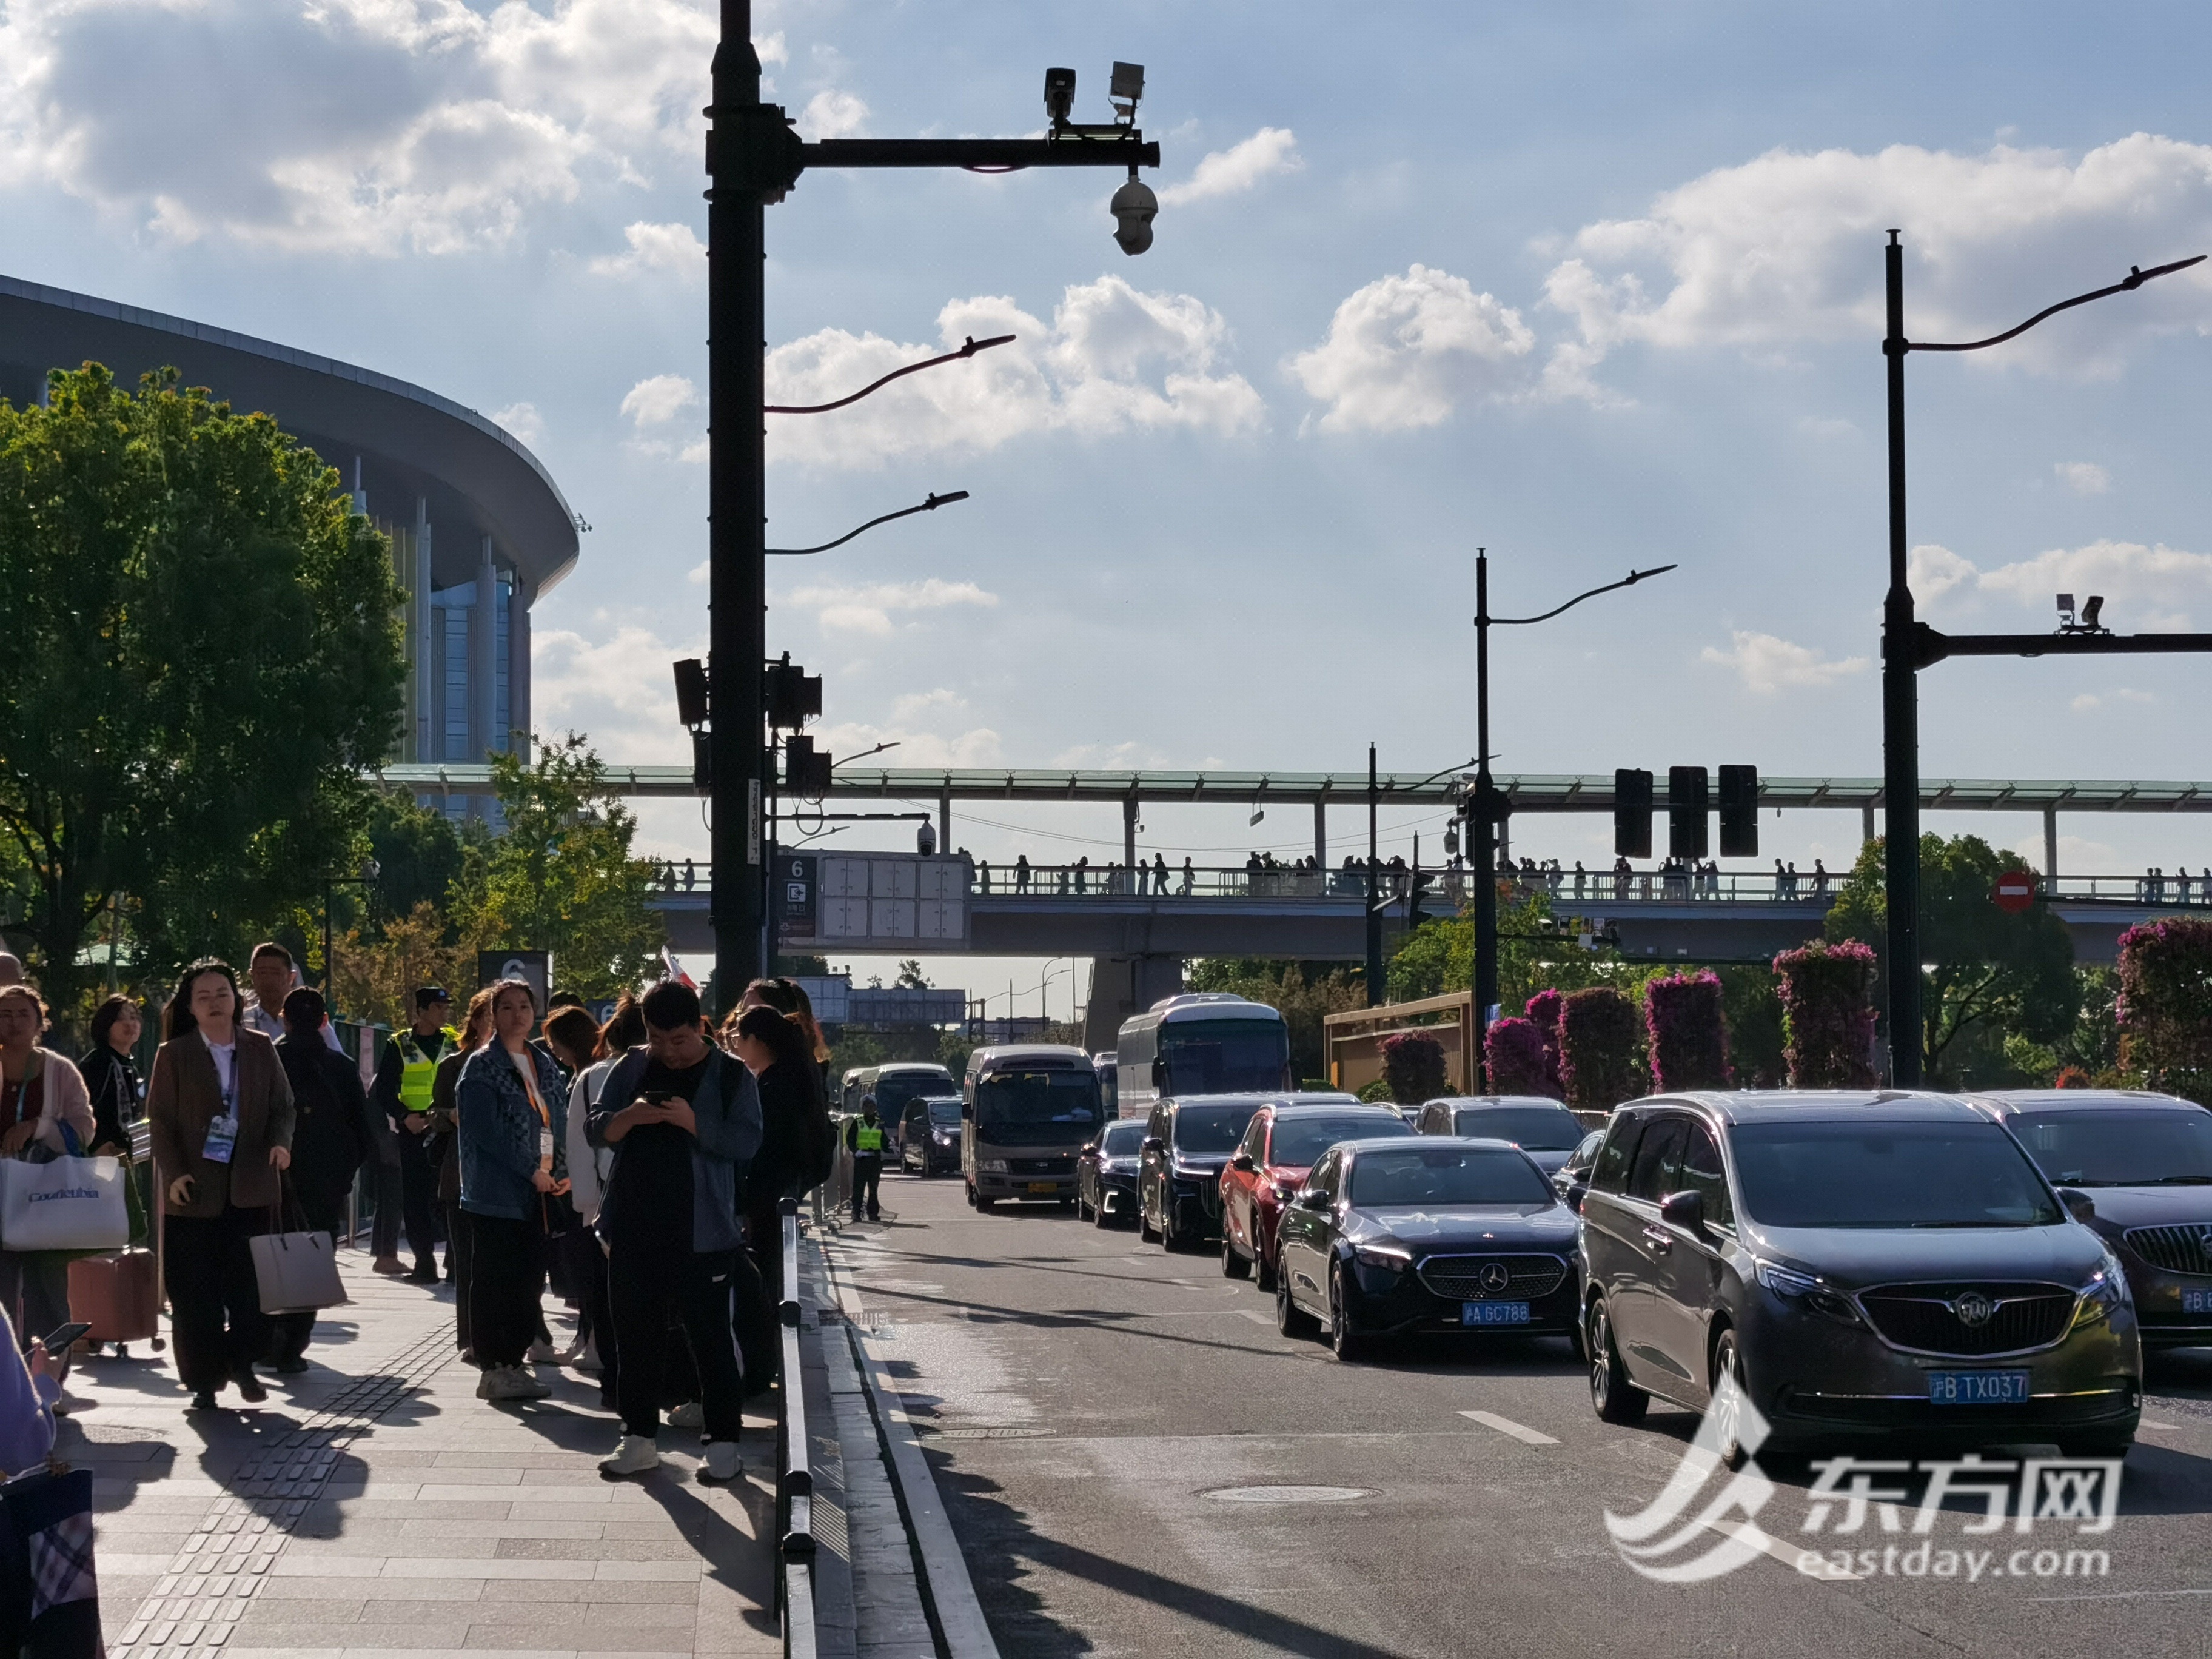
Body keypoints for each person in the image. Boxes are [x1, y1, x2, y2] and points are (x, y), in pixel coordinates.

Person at [588, 979, 760, 1480]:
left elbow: (747, 1141)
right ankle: (638, 1438)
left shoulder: (730, 1076)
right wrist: (630, 1117)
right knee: (635, 1341)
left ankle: (724, 1444)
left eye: (679, 1041)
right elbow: (596, 1127)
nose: (669, 1052)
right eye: (657, 1041)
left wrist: (693, 1122)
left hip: (704, 1234)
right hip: (633, 1227)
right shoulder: (632, 1066)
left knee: (710, 1342)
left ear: (699, 1028)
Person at [147, 959, 294, 1412]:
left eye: (222, 994)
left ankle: (241, 1359)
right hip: (193, 1193)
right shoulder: (174, 1054)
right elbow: (161, 1122)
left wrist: (280, 1144)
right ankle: (204, 1382)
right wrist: (174, 1174)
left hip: (251, 1186)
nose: (215, 1003)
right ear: (191, 1007)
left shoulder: (260, 1047)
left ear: (237, 1000)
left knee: (254, 1293)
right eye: (204, 997)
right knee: (196, 1297)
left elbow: (283, 1106)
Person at [456, 979, 567, 1403]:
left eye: (524, 1006)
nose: (517, 1014)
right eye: (506, 1007)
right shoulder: (483, 1067)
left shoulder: (544, 1063)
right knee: (494, 1281)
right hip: (497, 1194)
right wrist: (528, 1170)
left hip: (539, 1194)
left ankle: (515, 1363)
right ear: (492, 1015)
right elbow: (488, 1133)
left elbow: (555, 1120)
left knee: (528, 1281)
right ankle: (494, 1365)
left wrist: (561, 1169)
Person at [268, 987, 375, 1374]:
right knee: (314, 1257)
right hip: (327, 1182)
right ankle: (295, 1342)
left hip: (275, 1178)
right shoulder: (342, 1068)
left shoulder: (269, 1062)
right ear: (325, 1022)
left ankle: (268, 1336)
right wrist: (344, 1174)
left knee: (269, 1253)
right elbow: (364, 1131)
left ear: (284, 1019)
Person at [731, 1005, 832, 1386]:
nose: (737, 1046)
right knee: (770, 1285)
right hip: (779, 1197)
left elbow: (760, 1148)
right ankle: (763, 1364)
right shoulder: (790, 1078)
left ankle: (757, 1369)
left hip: (765, 1199)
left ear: (757, 1041)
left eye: (739, 1039)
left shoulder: (772, 1086)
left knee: (761, 1289)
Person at [0, 986, 96, 1352]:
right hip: (0, 1196)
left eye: (23, 1014)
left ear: (40, 1021)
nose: (13, 1022)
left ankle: (53, 1376)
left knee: (48, 1292)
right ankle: (11, 1379)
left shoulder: (60, 1071)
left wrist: (37, 1127)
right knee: (3, 1294)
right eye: (5, 1014)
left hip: (45, 1196)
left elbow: (84, 1129)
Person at [565, 996, 646, 1393]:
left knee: (605, 1290)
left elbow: (577, 1143)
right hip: (650, 1202)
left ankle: (609, 1368)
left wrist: (584, 1202)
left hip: (599, 1201)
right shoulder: (665, 1070)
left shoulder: (591, 1077)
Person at [426, 988, 495, 1356]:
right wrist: (449, 1116)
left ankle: (520, 1335)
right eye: (491, 1014)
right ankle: (470, 1338)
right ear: (476, 1020)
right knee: (467, 1263)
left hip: (513, 1179)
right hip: (462, 1175)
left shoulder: (527, 1063)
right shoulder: (453, 1065)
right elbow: (433, 1117)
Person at [370, 987, 455, 1284]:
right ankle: (424, 1261)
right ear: (420, 1010)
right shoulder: (400, 1044)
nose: (444, 1012)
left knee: (448, 1198)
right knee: (416, 1199)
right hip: (414, 1131)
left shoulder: (455, 1042)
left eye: (446, 1007)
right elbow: (384, 1090)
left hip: (447, 1130)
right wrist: (405, 1117)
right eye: (437, 1007)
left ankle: (455, 1262)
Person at [79, 995, 144, 1156]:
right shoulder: (96, 1063)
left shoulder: (129, 1065)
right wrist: (96, 1147)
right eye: (120, 1019)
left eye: (134, 1017)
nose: (130, 1024)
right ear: (105, 1025)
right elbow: (79, 1111)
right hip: (100, 1160)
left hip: (128, 1157)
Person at [846, 1096, 885, 1222]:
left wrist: (888, 1150)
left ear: (875, 1108)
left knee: (873, 1188)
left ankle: (873, 1213)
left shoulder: (879, 1123)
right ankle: (856, 1213)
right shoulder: (858, 1122)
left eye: (871, 1106)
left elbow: (884, 1140)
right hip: (861, 1159)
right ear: (862, 1108)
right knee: (859, 1187)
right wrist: (856, 1151)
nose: (869, 1109)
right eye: (866, 1106)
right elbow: (850, 1139)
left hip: (875, 1159)